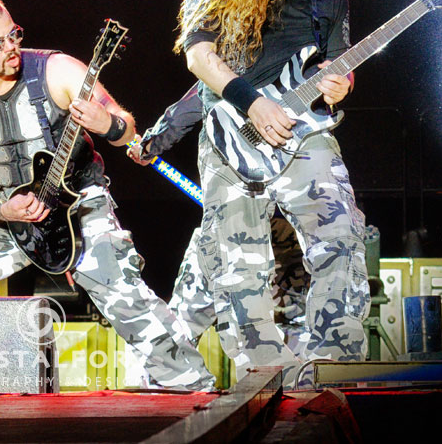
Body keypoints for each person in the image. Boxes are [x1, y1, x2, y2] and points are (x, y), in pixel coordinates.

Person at [0, 0, 215, 391]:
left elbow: (126, 129)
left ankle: (191, 382)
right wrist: (3, 209)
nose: (10, 49)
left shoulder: (58, 71)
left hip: (79, 204)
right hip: (11, 215)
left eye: (13, 35)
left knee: (125, 295)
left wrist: (108, 123)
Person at [171, 0, 370, 387]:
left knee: (341, 233)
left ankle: (334, 357)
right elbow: (199, 57)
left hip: (304, 130)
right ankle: (261, 369)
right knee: (239, 259)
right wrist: (252, 102)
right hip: (233, 129)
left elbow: (337, 62)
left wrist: (340, 84)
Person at [128, 84, 309, 357]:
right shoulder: (285, 71)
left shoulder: (230, 70)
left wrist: (150, 144)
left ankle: (166, 370)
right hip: (269, 224)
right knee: (291, 325)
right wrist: (151, 143)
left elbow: (192, 103)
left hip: (257, 224)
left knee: (188, 323)